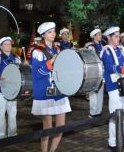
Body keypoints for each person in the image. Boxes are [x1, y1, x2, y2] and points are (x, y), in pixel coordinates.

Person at [31, 22, 71, 152]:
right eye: (49, 32)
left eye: (54, 31)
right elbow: (37, 73)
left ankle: (52, 150)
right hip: (44, 91)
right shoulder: (37, 51)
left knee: (61, 127)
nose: (53, 33)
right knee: (47, 127)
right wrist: (51, 62)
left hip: (59, 91)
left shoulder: (57, 50)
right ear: (43, 35)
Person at [100, 26, 124, 151]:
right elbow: (111, 67)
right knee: (115, 114)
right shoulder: (106, 51)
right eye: (116, 36)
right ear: (109, 38)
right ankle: (112, 142)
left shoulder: (122, 49)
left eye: (119, 35)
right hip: (114, 86)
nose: (119, 38)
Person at [0, 36, 21, 139]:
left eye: (10, 44)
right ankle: (1, 136)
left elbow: (21, 73)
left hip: (13, 90)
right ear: (1, 47)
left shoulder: (16, 58)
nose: (8, 46)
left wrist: (25, 66)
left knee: (12, 113)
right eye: (6, 44)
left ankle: (12, 134)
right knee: (0, 114)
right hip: (1, 89)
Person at [87, 28, 104, 118]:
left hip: (102, 71)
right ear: (94, 36)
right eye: (99, 35)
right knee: (93, 93)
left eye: (100, 34)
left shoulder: (101, 46)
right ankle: (93, 113)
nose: (101, 36)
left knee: (100, 92)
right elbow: (90, 59)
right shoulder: (91, 46)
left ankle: (98, 112)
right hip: (94, 72)